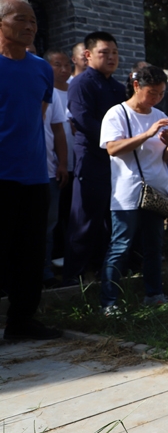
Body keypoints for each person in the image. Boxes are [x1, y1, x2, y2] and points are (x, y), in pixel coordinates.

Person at [0, 0, 62, 340]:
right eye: (21, 19)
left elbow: (36, 118)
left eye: (34, 21)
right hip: (1, 176)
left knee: (31, 252)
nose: (29, 27)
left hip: (35, 175)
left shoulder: (41, 68)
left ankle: (21, 321)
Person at [98, 64, 168, 315]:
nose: (157, 98)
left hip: (157, 190)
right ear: (136, 86)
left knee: (154, 246)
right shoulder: (117, 114)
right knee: (121, 246)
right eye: (152, 92)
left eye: (161, 93)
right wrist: (148, 133)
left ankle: (154, 294)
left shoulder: (160, 114)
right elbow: (112, 148)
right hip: (127, 194)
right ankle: (108, 302)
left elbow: (165, 157)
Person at [63, 31, 126, 286]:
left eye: (114, 53)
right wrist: (117, 140)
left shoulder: (118, 87)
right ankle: (72, 278)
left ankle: (104, 273)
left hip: (116, 161)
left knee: (109, 220)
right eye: (104, 53)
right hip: (91, 158)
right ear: (87, 55)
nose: (111, 57)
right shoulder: (81, 84)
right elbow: (85, 121)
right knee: (85, 219)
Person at [41, 50, 70, 288]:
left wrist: (62, 163)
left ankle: (45, 273)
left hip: (49, 171)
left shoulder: (50, 93)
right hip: (13, 171)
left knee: (48, 225)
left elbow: (58, 131)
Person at [45, 49, 75, 267]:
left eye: (67, 65)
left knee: (65, 216)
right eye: (58, 65)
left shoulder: (75, 90)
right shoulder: (48, 91)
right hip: (48, 166)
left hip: (71, 165)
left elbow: (61, 130)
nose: (64, 69)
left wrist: (63, 162)